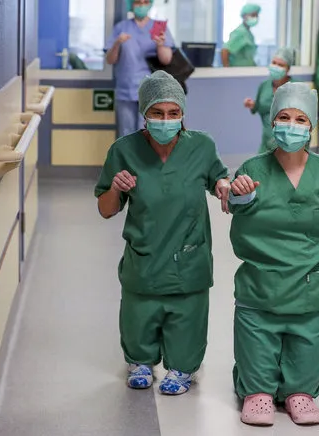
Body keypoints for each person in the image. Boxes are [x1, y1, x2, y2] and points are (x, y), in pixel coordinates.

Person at [228, 82, 319, 426]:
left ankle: (300, 391)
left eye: (300, 119)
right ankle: (257, 391)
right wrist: (239, 196)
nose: (291, 125)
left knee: (307, 345)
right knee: (258, 357)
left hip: (309, 287)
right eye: (284, 117)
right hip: (262, 287)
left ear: (311, 127)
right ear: (272, 123)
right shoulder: (252, 169)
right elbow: (237, 211)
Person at [94, 71, 231, 396]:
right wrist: (115, 187)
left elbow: (218, 180)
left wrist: (224, 185)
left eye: (173, 113)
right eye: (157, 113)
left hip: (189, 255)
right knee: (139, 312)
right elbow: (105, 209)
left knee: (188, 314)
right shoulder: (123, 151)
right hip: (145, 255)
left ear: (183, 114)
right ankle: (139, 361)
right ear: (145, 114)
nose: (166, 120)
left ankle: (182, 367)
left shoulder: (202, 146)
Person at [106, 0, 175, 138]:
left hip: (151, 92)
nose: (141, 5)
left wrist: (160, 45)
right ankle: (127, 160)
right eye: (138, 2)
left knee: (148, 133)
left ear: (150, 4)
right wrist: (117, 43)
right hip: (126, 90)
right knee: (126, 135)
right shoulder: (122, 28)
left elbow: (166, 60)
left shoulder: (158, 27)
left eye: (145, 2)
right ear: (131, 4)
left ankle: (146, 160)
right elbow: (110, 60)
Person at [244, 47, 296, 154]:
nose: (276, 67)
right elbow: (258, 107)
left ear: (288, 69)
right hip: (266, 145)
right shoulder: (264, 86)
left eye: (281, 65)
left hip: (289, 146)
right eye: (274, 63)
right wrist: (252, 105)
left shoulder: (297, 88)